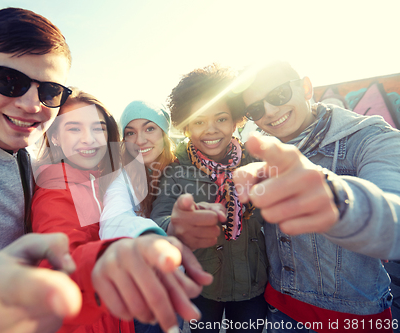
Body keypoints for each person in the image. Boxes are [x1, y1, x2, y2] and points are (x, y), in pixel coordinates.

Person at [0, 8, 210, 333]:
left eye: (49, 92)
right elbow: (68, 243)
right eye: (9, 80)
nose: (32, 105)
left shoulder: (35, 150)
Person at [232, 60, 399, 332]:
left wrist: (335, 198)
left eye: (278, 94)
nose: (271, 112)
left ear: (306, 87)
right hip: (280, 311)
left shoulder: (369, 137)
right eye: (256, 109)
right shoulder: (259, 152)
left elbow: (395, 217)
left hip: (352, 320)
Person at [31, 89, 212, 333]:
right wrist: (148, 238)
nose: (89, 139)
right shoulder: (96, 181)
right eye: (75, 128)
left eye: (98, 128)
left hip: (154, 300)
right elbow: (112, 220)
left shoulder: (185, 166)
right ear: (55, 137)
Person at [151, 64, 268, 333]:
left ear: (237, 119)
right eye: (199, 121)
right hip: (203, 287)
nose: (211, 130)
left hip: (253, 285)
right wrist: (177, 223)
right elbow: (160, 216)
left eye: (221, 118)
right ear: (187, 124)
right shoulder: (177, 168)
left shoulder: (257, 161)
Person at [99, 100, 176, 333]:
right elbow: (114, 219)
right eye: (130, 132)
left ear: (164, 133)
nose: (140, 140)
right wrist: (151, 235)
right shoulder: (122, 176)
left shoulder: (182, 170)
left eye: (149, 128)